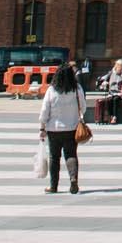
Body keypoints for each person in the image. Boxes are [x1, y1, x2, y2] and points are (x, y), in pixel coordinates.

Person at [38, 62, 86, 193]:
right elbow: (83, 107)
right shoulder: (77, 88)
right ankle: (73, 178)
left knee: (54, 157)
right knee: (71, 155)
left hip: (54, 128)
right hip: (72, 128)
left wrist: (42, 128)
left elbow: (44, 111)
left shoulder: (52, 90)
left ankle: (53, 186)